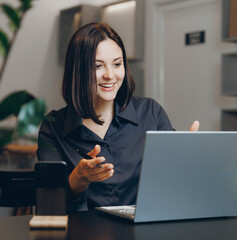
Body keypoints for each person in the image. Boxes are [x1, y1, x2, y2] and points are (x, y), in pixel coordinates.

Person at [37, 22, 199, 211]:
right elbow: (48, 206)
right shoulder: (53, 127)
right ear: (78, 70)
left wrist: (189, 159)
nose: (110, 75)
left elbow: (174, 187)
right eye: (97, 66)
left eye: (117, 64)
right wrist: (77, 180)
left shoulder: (150, 113)